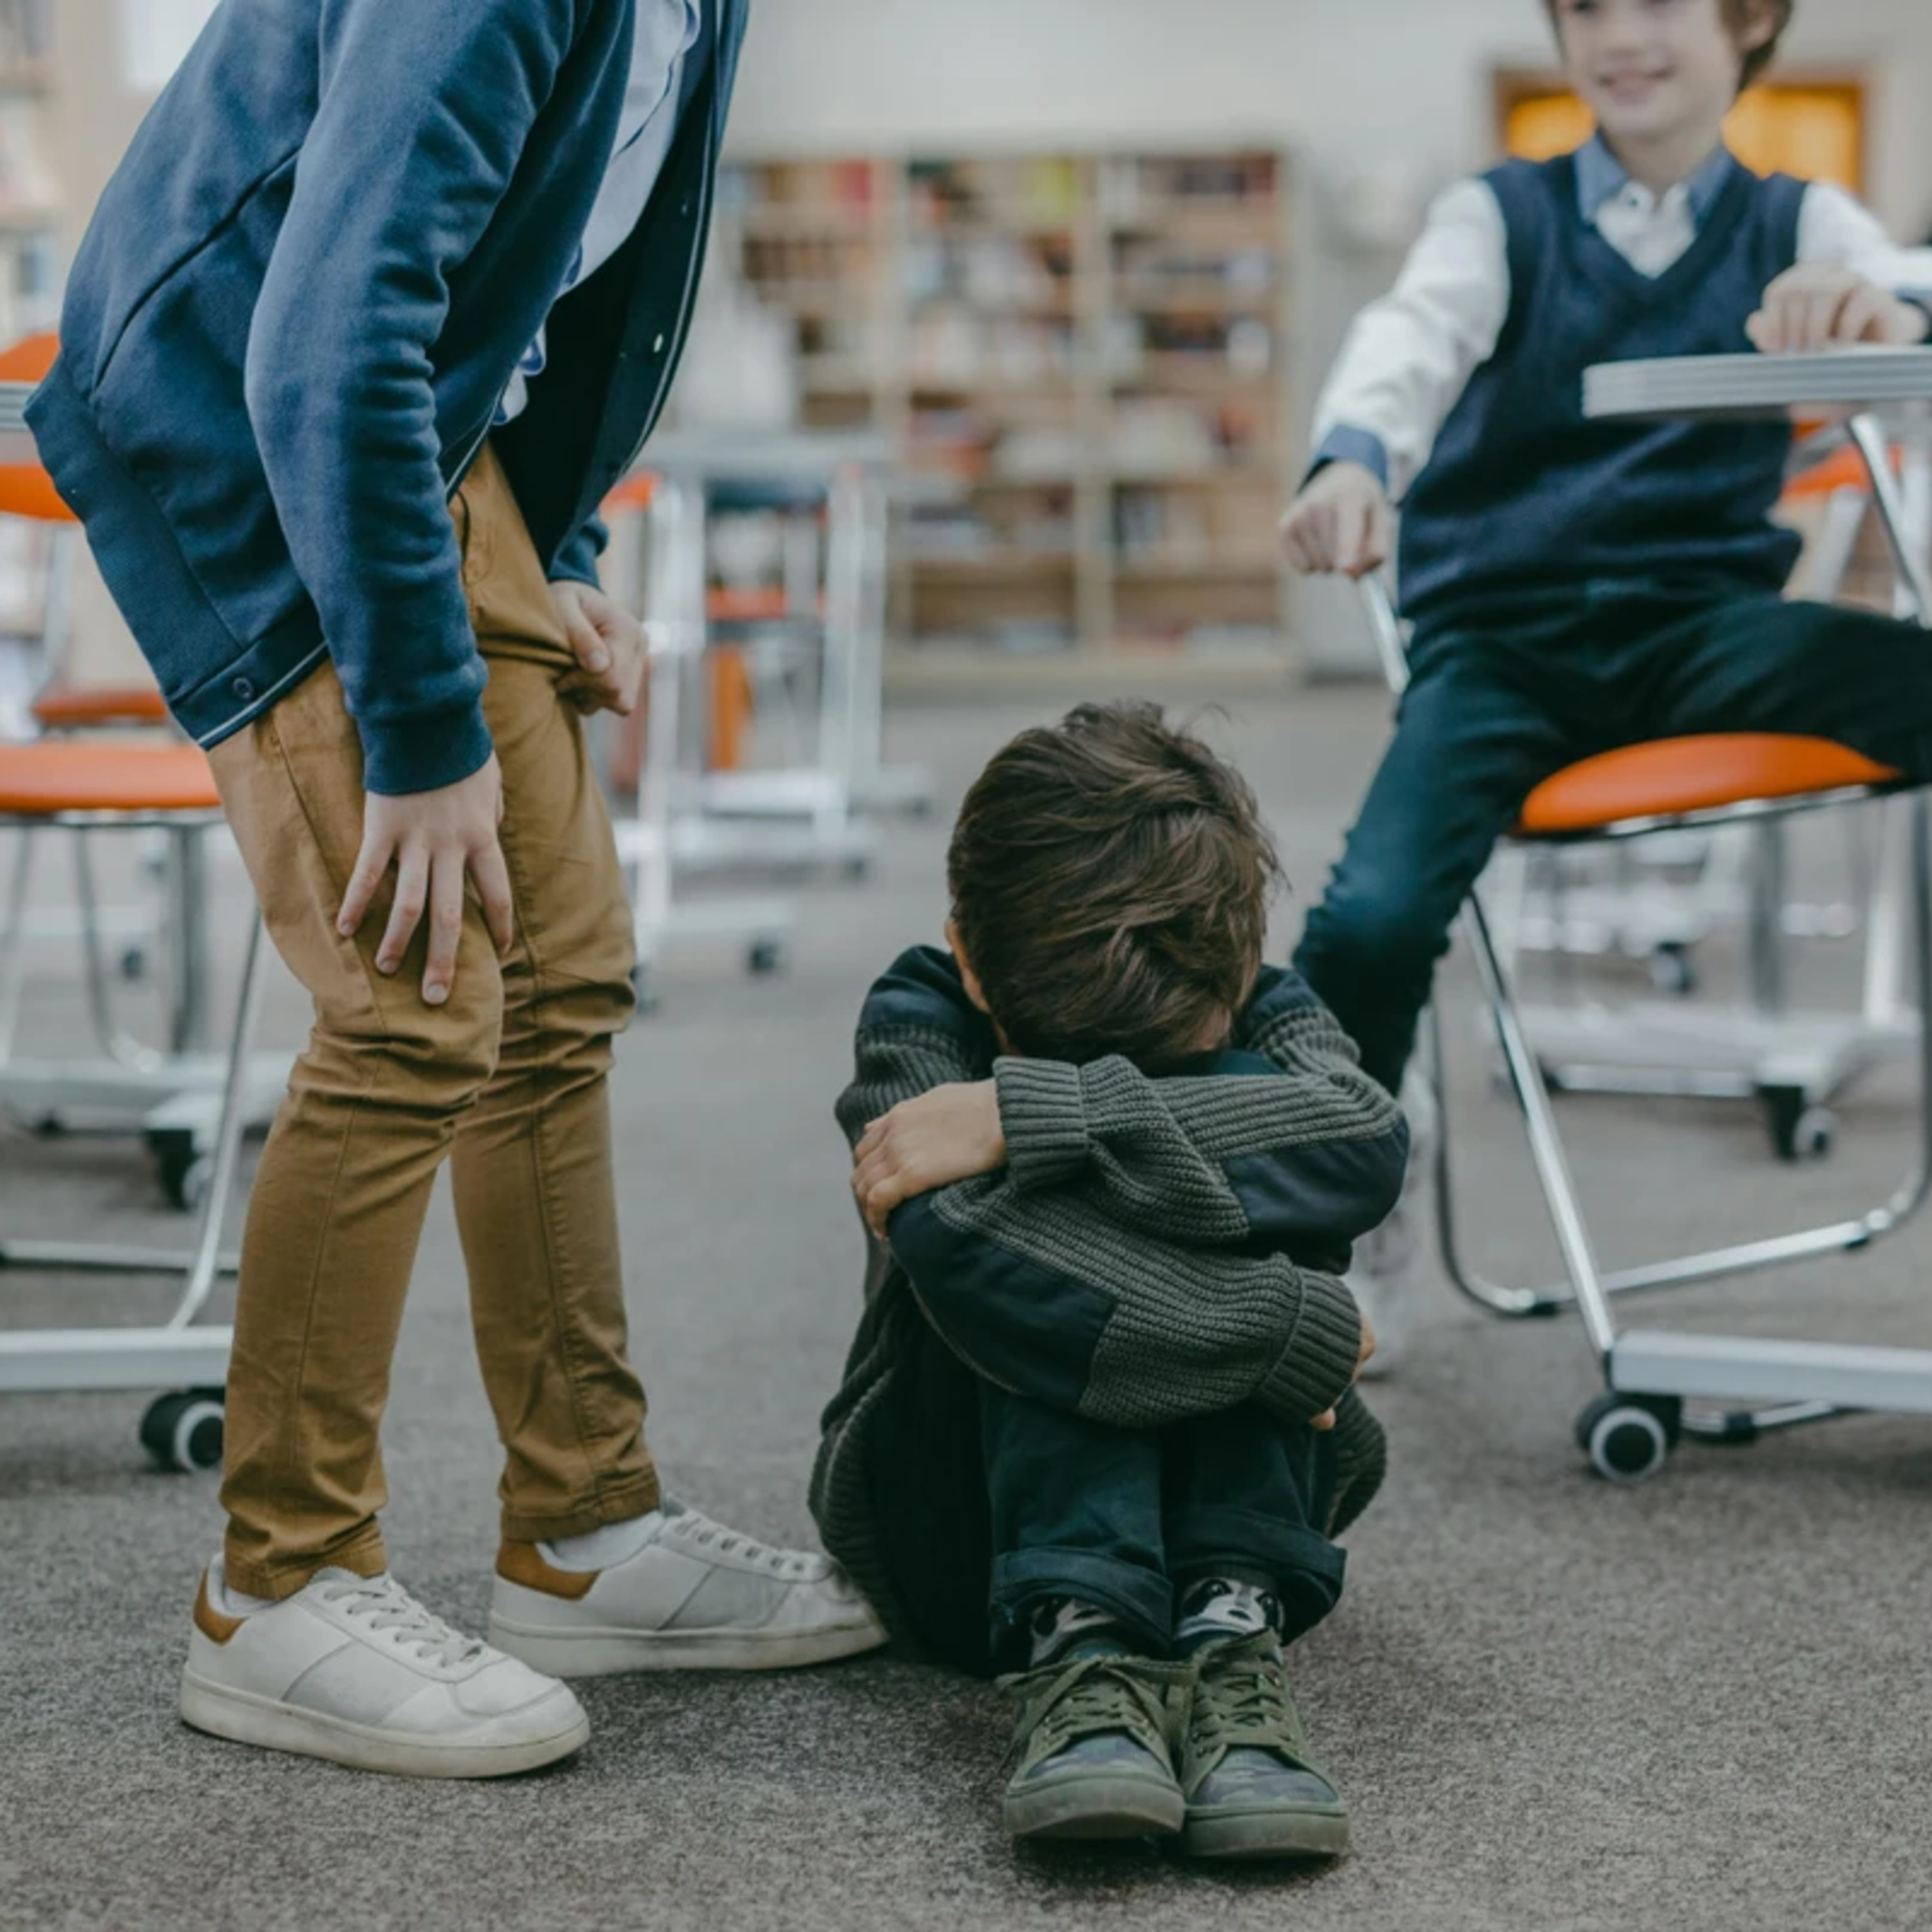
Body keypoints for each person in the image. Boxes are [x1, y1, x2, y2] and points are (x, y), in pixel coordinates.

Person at [28, 0, 884, 1782]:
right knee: (420, 999)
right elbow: (326, 334)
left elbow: (554, 277)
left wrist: (550, 559)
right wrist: (423, 733)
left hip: (418, 428)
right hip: (247, 419)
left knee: (561, 975)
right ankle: (276, 1584)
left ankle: (580, 1531)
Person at [1278, 0, 1932, 1362]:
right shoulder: (1499, 213)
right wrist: (1351, 457)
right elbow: (1410, 339)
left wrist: (1885, 303)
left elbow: (1903, 288)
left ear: (1749, 23)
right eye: (1585, 10)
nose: (1618, 37)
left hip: (1703, 633)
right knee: (1367, 928)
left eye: (1656, 5)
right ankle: (1354, 1218)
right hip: (1506, 641)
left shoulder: (1799, 219)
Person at [810, 703, 1407, 1856]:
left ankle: (1228, 1631)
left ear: (1240, 973)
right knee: (1020, 1245)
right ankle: (1083, 1638)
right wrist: (1287, 1325)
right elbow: (972, 1258)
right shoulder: (917, 1016)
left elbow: (1361, 1144)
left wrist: (1046, 1109)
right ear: (966, 959)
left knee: (1227, 1160)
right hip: (961, 1532)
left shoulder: (1262, 1010)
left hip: (1242, 1531)